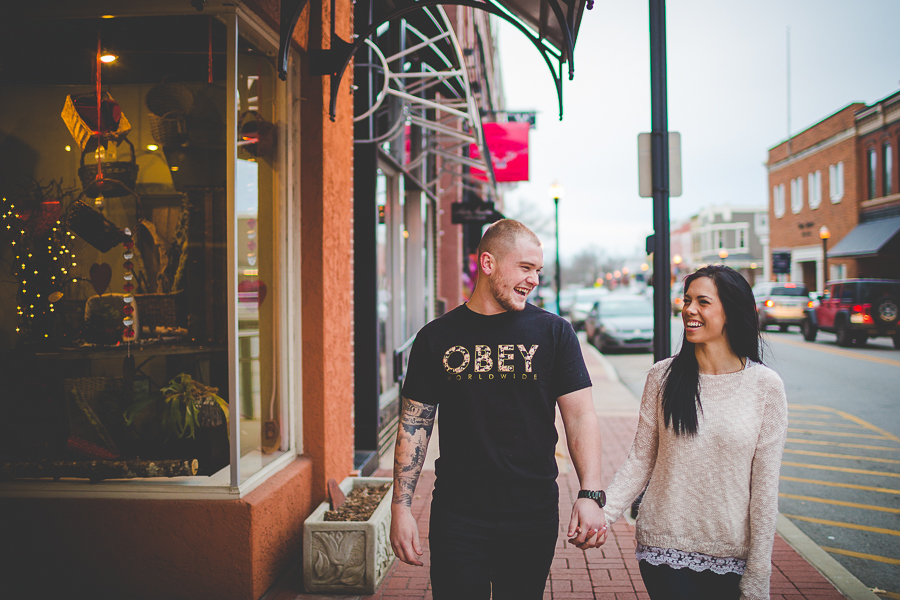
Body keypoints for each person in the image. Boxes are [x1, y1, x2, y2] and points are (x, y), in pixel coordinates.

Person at [390, 219, 608, 600]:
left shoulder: (554, 333)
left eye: (538, 271)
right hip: (458, 515)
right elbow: (414, 426)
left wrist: (590, 493)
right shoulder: (436, 338)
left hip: (532, 512)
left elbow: (580, 416)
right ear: (488, 264)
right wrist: (401, 508)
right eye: (525, 268)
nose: (534, 280)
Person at [601, 265, 788, 600]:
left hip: (731, 553)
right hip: (663, 546)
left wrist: (760, 573)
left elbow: (764, 488)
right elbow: (640, 460)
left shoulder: (765, 387)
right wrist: (601, 515)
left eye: (703, 302)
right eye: (687, 301)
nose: (689, 310)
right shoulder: (662, 377)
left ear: (731, 312)